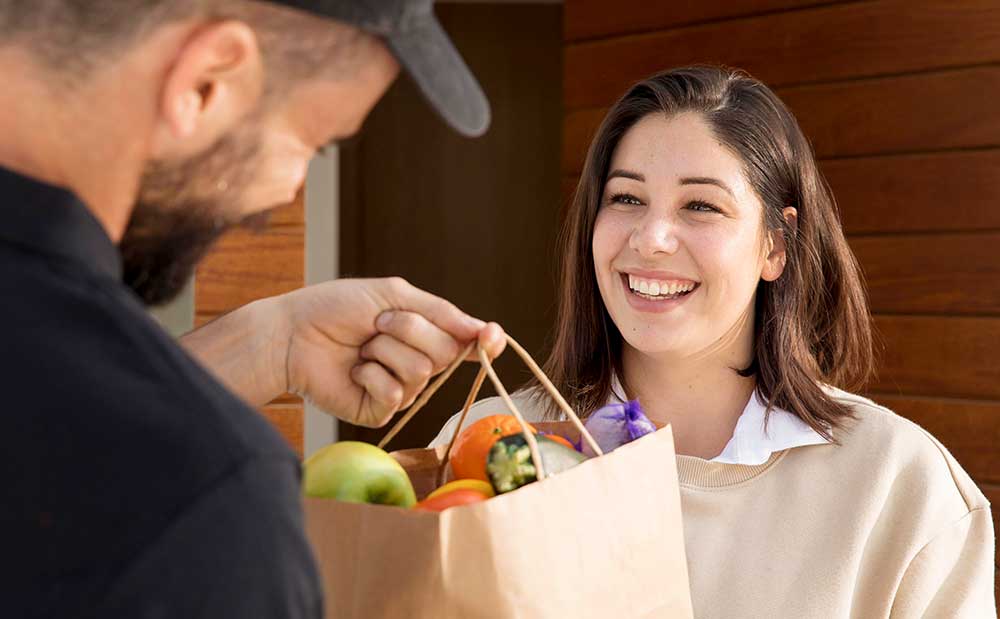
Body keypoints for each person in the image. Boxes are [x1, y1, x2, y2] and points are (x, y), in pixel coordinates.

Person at [432, 66, 996, 617]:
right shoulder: (485, 443)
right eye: (626, 198)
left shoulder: (898, 482)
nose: (650, 239)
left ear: (775, 246)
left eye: (700, 205)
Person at [1, 1, 504, 617]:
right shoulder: (208, 508)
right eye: (311, 144)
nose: (286, 191)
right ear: (206, 81)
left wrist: (272, 344)